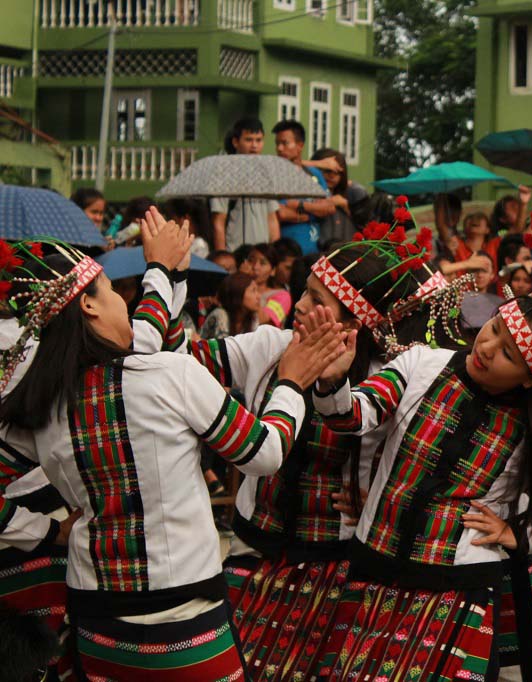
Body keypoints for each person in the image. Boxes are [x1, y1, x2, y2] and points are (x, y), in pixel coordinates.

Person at [0, 229, 345, 679]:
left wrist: (44, 530)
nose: (124, 302)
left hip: (95, 617)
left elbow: (142, 335)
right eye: (112, 291)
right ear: (88, 306)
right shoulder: (168, 374)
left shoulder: (42, 403)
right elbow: (263, 452)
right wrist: (292, 383)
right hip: (182, 612)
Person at [312, 286, 532, 681]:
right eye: (492, 329)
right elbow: (355, 416)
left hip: (459, 587)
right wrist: (333, 384)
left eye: (508, 353)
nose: (487, 348)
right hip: (374, 568)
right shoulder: (421, 363)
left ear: (530, 378)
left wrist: (517, 534)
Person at [206, 229, 443, 681]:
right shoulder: (272, 346)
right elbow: (184, 362)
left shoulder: (390, 376)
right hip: (254, 548)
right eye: (304, 289)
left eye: (315, 298)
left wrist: (379, 496)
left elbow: (428, 461)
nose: (297, 304)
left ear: (352, 324)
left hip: (336, 565)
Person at [210, 117, 281, 252]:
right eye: (249, 140)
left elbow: (272, 218)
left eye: (258, 140)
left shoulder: (266, 174)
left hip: (262, 254)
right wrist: (223, 257)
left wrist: (274, 255)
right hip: (235, 251)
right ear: (236, 142)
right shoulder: (224, 173)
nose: (254, 145)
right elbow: (218, 222)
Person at [273, 119, 336, 255]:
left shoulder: (314, 173)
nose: (279, 148)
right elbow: (281, 213)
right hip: (287, 253)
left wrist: (299, 205)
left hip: (315, 251)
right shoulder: (274, 176)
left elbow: (330, 207)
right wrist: (314, 212)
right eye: (277, 143)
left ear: (300, 145)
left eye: (284, 143)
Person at [311, 148, 370, 246]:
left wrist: (346, 206)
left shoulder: (353, 193)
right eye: (327, 170)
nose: (332, 176)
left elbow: (364, 225)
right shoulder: (307, 192)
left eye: (338, 172)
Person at [200, 273, 260, 339]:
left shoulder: (252, 317)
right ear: (238, 293)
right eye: (253, 291)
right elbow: (224, 346)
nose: (258, 296)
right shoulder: (221, 314)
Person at [246, 243, 292, 328]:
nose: (255, 267)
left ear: (273, 271)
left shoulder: (283, 296)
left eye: (263, 263)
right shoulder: (237, 288)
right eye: (251, 261)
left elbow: (261, 319)